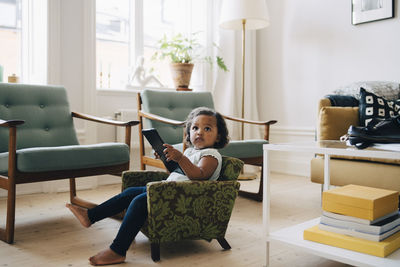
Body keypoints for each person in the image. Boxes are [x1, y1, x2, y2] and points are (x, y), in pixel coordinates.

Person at [66, 106, 229, 266]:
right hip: (169, 191)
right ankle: (91, 215)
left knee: (139, 202)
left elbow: (199, 175)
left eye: (207, 128)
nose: (199, 132)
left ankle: (118, 250)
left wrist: (180, 158)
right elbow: (179, 173)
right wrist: (168, 161)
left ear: (218, 136)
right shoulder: (190, 152)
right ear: (189, 132)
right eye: (195, 128)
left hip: (185, 201)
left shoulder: (211, 155)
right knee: (131, 193)